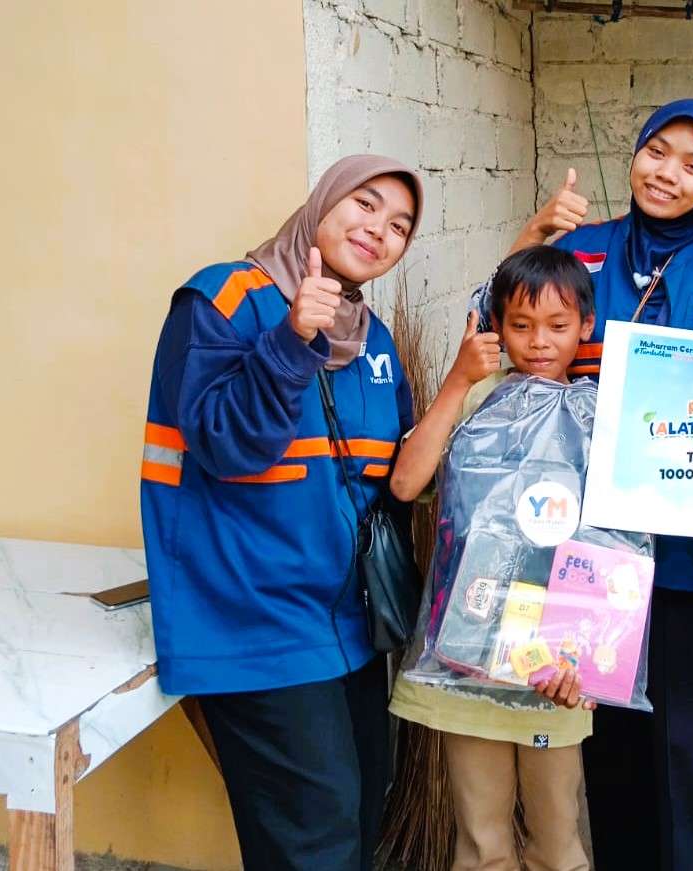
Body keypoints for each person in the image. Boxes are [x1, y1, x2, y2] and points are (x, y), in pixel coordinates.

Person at [505, 98, 693, 871]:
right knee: (609, 740)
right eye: (659, 152)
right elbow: (494, 324)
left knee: (685, 744)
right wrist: (531, 236)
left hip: (689, 559)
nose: (669, 174)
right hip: (582, 550)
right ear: (635, 154)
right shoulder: (580, 252)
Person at [140, 156, 422, 871]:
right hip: (256, 623)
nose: (378, 230)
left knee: (357, 824)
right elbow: (224, 444)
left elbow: (383, 485)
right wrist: (291, 341)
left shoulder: (374, 340)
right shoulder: (223, 299)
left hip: (350, 629)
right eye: (365, 204)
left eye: (399, 226)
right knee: (315, 845)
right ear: (323, 201)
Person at [389, 245, 597, 871]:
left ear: (586, 326)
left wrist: (587, 655)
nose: (538, 342)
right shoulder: (477, 408)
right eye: (520, 326)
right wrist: (458, 380)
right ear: (496, 326)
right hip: (466, 660)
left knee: (557, 842)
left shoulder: (598, 419)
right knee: (481, 844)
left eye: (558, 326)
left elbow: (615, 551)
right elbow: (406, 484)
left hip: (555, 673)